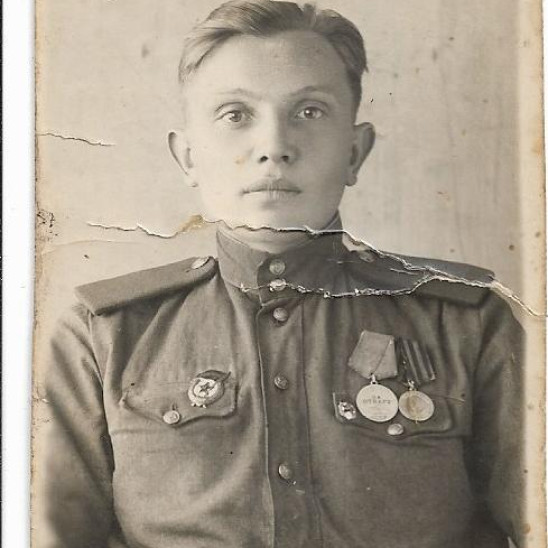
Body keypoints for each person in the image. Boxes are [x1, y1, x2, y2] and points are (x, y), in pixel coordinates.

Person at [35, 1, 525, 547]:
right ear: (188, 157)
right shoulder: (104, 336)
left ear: (354, 152)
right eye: (235, 115)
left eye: (309, 111)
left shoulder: (468, 323)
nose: (273, 148)